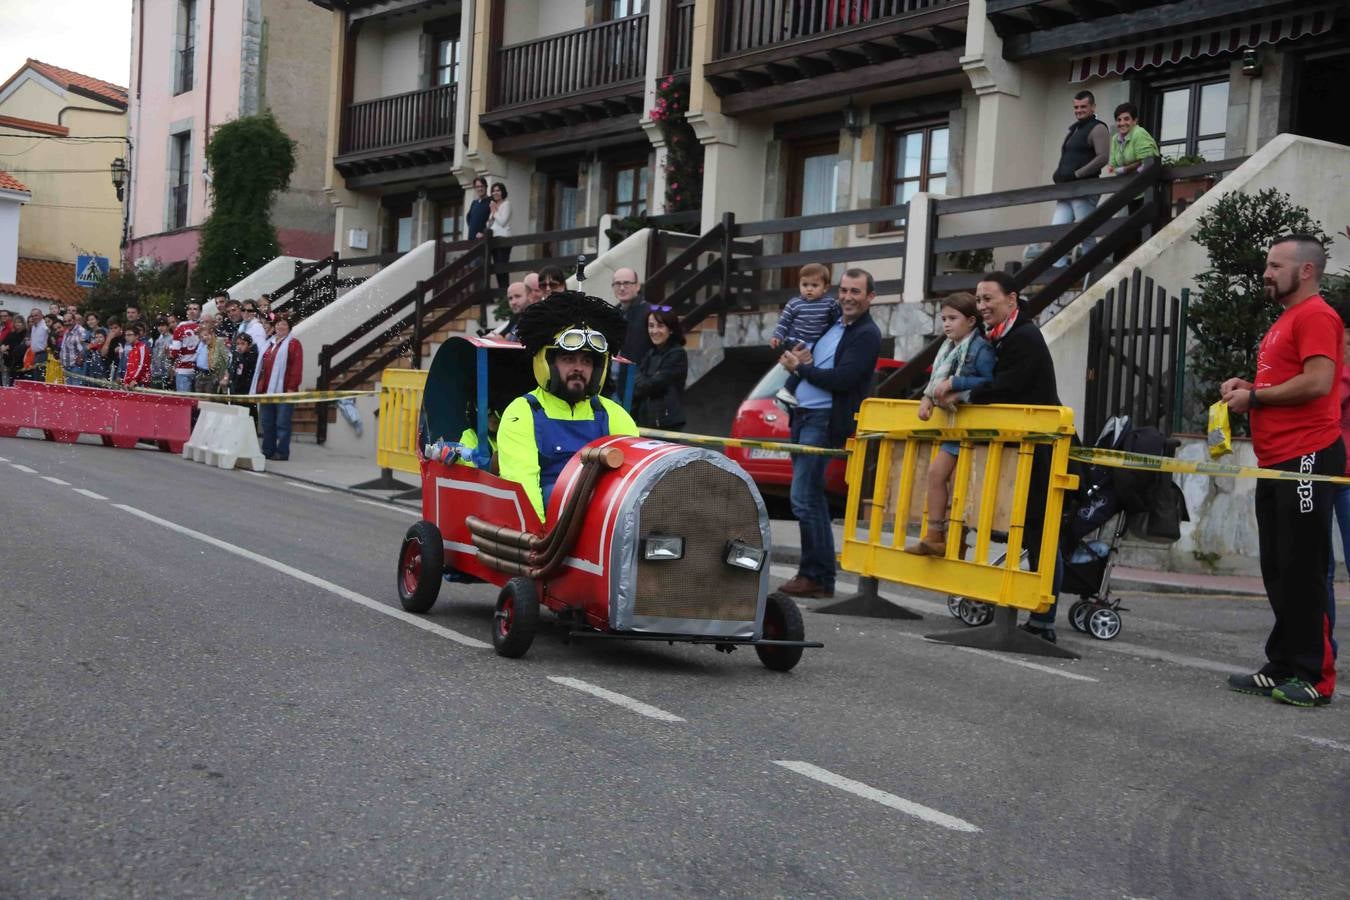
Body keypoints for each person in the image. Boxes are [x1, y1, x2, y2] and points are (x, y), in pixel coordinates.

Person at [1221, 235, 1344, 707]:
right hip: (1278, 458)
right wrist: (1250, 386)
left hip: (1308, 454)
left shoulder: (1315, 315)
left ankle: (1316, 677)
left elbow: (1318, 382)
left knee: (1305, 567)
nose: (1266, 273)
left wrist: (1255, 397)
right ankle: (1283, 666)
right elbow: (1290, 380)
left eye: (1275, 265)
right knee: (1278, 565)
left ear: (1306, 271)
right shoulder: (1288, 319)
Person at [939, 272, 1064, 640]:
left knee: (1043, 532)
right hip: (1019, 449)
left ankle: (1043, 620)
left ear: (1012, 299)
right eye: (978, 300)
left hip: (1041, 449)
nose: (982, 306)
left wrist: (963, 392)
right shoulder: (995, 337)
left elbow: (1008, 387)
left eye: (988, 299)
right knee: (1025, 530)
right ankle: (1021, 607)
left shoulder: (1023, 336)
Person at [777, 268, 883, 599]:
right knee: (810, 500)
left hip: (822, 420)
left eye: (856, 292)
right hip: (803, 416)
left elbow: (843, 380)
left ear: (870, 298)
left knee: (804, 499)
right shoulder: (833, 322)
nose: (848, 297)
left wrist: (801, 369)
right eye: (845, 290)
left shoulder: (867, 334)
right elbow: (811, 352)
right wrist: (797, 359)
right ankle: (817, 576)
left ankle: (817, 576)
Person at [497, 291, 640, 520]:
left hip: (605, 522)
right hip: (551, 532)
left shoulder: (613, 413)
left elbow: (633, 480)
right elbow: (522, 485)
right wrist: (541, 538)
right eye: (568, 359)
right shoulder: (522, 412)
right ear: (548, 363)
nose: (578, 368)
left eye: (586, 361)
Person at [905, 292, 997, 556]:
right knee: (936, 475)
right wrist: (927, 398)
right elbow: (937, 380)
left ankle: (957, 537)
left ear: (970, 321)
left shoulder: (981, 348)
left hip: (974, 429)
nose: (946, 324)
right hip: (954, 427)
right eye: (943, 318)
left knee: (961, 484)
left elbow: (990, 381)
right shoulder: (947, 348)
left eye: (953, 318)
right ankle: (934, 534)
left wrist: (957, 384)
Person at [1051, 90, 1109, 268]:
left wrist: (1076, 174)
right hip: (1066, 190)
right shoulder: (1075, 129)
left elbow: (1103, 158)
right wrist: (1058, 173)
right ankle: (1058, 273)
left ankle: (1093, 271)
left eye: (1083, 106)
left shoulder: (1098, 127)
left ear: (1093, 107)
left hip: (1084, 189)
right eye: (1076, 107)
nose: (1079, 110)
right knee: (1055, 233)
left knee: (1085, 233)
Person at [769, 262, 838, 407]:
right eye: (805, 285)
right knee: (805, 365)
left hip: (814, 342)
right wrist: (777, 336)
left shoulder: (830, 303)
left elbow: (836, 321)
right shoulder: (794, 304)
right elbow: (784, 323)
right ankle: (787, 389)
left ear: (825, 287)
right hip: (797, 341)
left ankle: (791, 391)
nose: (809, 289)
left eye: (814, 285)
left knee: (811, 365)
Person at [1328, 302, 1350, 658]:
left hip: (1341, 474)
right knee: (1319, 569)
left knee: (1321, 570)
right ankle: (1321, 650)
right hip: (1321, 470)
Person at [255, 313, 303, 461]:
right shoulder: (269, 343)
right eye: (278, 324)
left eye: (284, 324)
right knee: (267, 422)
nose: (281, 326)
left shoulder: (294, 343)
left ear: (289, 327)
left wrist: (291, 387)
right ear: (274, 326)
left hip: (284, 390)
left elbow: (296, 367)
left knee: (282, 423)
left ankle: (282, 452)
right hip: (267, 390)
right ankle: (267, 450)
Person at [632, 306, 688, 429]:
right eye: (651, 326)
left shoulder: (677, 354)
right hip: (645, 421)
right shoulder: (650, 353)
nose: (654, 331)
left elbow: (654, 385)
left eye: (660, 326)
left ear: (671, 329)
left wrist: (642, 381)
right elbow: (636, 382)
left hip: (667, 423)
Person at [1105, 102, 1159, 177]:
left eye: (1126, 119)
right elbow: (1113, 167)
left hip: (1144, 180)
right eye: (1119, 120)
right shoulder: (1115, 138)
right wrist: (1114, 168)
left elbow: (1147, 162)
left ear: (1134, 121)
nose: (1122, 123)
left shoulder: (1139, 133)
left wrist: (1124, 169)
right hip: (1125, 182)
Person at [171, 301, 202, 391]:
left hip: (183, 370)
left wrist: (170, 353)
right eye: (190, 309)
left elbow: (175, 352)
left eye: (195, 309)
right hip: (199, 370)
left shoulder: (179, 328)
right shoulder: (203, 327)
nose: (192, 311)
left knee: (184, 401)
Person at [239, 301, 269, 390]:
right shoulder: (243, 325)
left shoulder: (257, 328)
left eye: (249, 310)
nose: (246, 313)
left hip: (250, 367)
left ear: (255, 312)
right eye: (243, 310)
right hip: (241, 366)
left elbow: (261, 351)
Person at [489, 182, 513, 290]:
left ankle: (504, 293)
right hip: (494, 239)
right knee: (497, 268)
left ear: (502, 191)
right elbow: (490, 224)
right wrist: (492, 213)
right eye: (493, 191)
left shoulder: (506, 204)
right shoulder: (494, 205)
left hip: (503, 238)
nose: (495, 193)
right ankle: (501, 292)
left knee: (502, 267)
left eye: (498, 190)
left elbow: (502, 222)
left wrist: (494, 211)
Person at [59, 310, 89, 385]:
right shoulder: (67, 331)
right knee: (69, 391)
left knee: (77, 391)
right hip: (67, 366)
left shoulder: (81, 331)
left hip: (76, 367)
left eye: (69, 321)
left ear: (74, 320)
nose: (67, 323)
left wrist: (80, 360)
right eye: (65, 321)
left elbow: (85, 348)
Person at [23, 308, 49, 382]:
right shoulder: (34, 326)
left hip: (43, 354)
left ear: (41, 315)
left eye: (36, 315)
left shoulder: (45, 326)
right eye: (33, 316)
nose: (34, 317)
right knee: (36, 377)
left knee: (41, 377)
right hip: (36, 354)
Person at [2, 314, 26, 386]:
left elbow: (19, 346)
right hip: (7, 361)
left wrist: (8, 347)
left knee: (16, 382)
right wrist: (3, 347)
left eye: (19, 322)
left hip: (19, 362)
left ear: (23, 323)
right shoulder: (11, 333)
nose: (17, 324)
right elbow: (4, 343)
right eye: (16, 322)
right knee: (6, 382)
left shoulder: (24, 334)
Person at [150, 316, 173, 389]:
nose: (161, 328)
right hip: (156, 372)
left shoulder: (172, 338)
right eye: (159, 326)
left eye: (163, 325)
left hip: (167, 372)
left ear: (168, 326)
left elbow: (171, 356)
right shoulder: (157, 341)